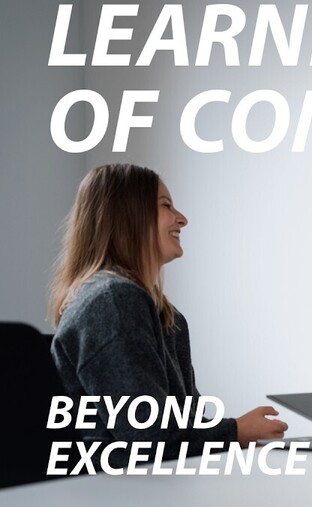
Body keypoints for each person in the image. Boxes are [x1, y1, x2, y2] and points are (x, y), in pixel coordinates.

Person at [49, 163, 287, 470]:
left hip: (159, 482)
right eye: (166, 205)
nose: (182, 219)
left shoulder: (166, 317)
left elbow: (184, 424)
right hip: (121, 487)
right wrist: (236, 431)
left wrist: (236, 433)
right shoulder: (113, 302)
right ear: (128, 216)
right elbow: (147, 436)